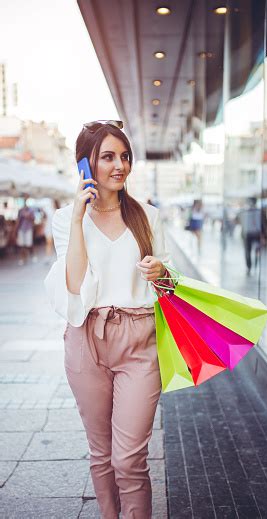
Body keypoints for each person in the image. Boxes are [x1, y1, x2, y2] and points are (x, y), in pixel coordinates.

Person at [44, 120, 171, 519]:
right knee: (101, 454)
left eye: (124, 156)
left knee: (129, 459)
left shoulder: (147, 217)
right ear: (86, 165)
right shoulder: (66, 219)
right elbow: (74, 282)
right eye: (108, 157)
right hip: (87, 340)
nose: (120, 165)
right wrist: (81, 216)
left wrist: (161, 274)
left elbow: (170, 283)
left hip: (139, 340)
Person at [238, 197, 262, 275]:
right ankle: (250, 266)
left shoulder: (258, 212)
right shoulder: (244, 211)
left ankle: (252, 265)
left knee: (254, 250)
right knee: (249, 251)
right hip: (249, 234)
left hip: (253, 234)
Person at [14, 195, 36, 266]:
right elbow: (18, 221)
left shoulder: (31, 210)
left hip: (28, 228)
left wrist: (28, 216)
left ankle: (31, 256)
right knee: (22, 245)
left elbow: (33, 219)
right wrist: (16, 230)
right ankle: (23, 258)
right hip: (22, 229)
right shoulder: (20, 211)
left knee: (29, 244)